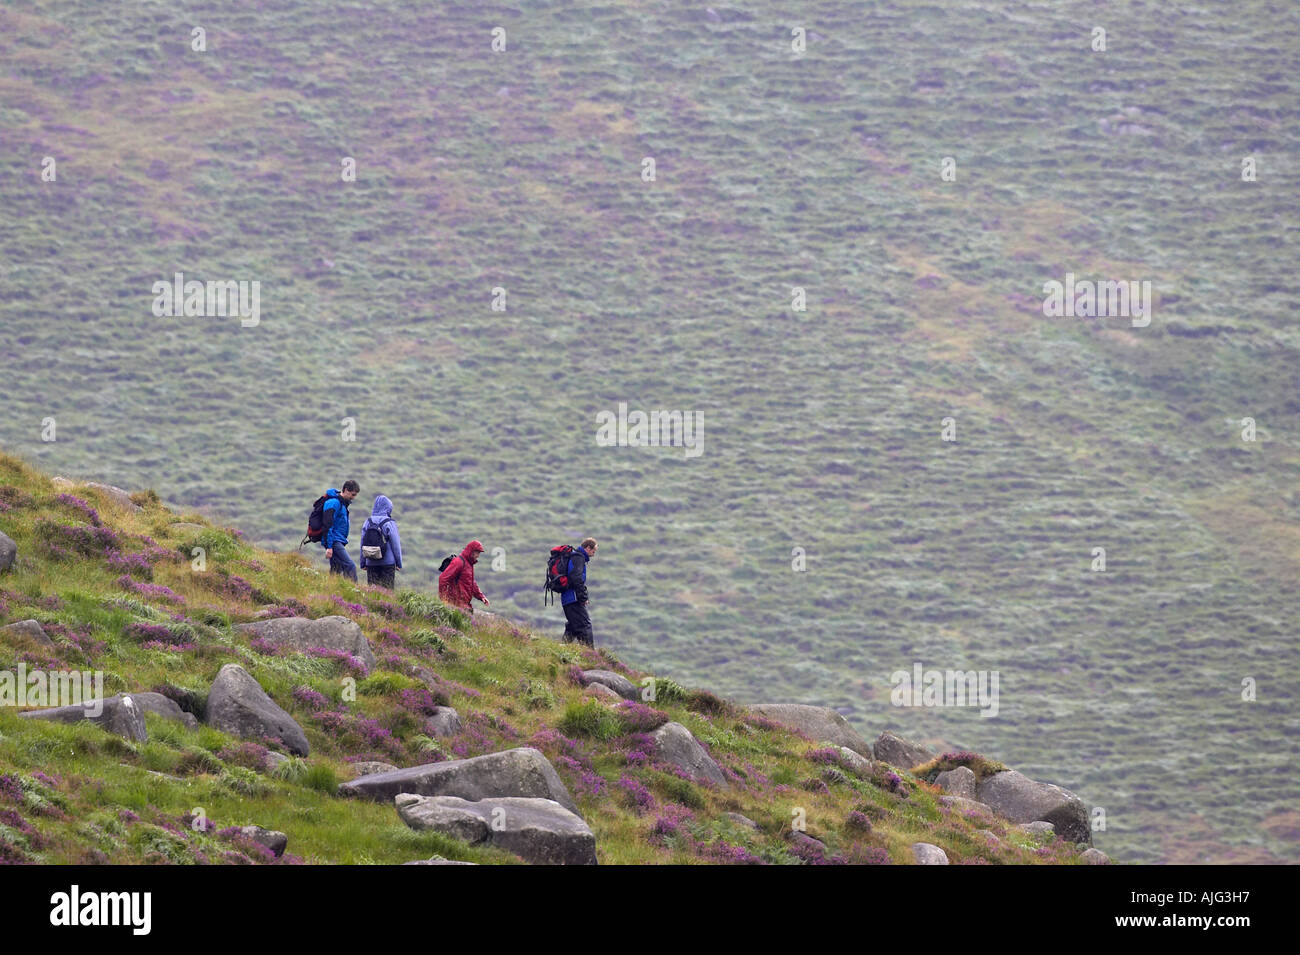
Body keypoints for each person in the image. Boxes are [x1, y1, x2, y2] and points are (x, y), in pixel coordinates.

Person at [358, 494, 402, 590]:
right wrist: (398, 563)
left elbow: (362, 543)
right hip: (388, 563)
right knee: (388, 592)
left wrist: (363, 562)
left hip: (371, 561)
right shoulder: (389, 523)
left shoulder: (368, 522)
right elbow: (396, 545)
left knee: (373, 592)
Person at [561, 538, 597, 645]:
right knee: (585, 625)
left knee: (573, 625)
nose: (593, 555)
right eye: (593, 551)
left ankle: (563, 647)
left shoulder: (575, 556)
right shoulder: (578, 557)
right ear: (588, 548)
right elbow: (576, 579)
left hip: (567, 599)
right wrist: (583, 598)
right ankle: (590, 654)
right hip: (573, 598)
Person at [322, 480, 360, 580]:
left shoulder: (343, 504)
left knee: (336, 570)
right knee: (350, 566)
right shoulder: (334, 503)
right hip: (334, 541)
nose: (353, 497)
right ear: (346, 490)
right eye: (353, 494)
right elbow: (327, 525)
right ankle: (353, 592)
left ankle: (331, 591)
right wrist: (329, 546)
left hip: (338, 540)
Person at [439, 540, 490, 614]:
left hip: (464, 606)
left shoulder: (469, 564)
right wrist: (444, 599)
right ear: (471, 551)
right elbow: (443, 579)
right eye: (477, 552)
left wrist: (481, 596)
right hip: (455, 605)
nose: (478, 555)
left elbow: (471, 582)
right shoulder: (458, 562)